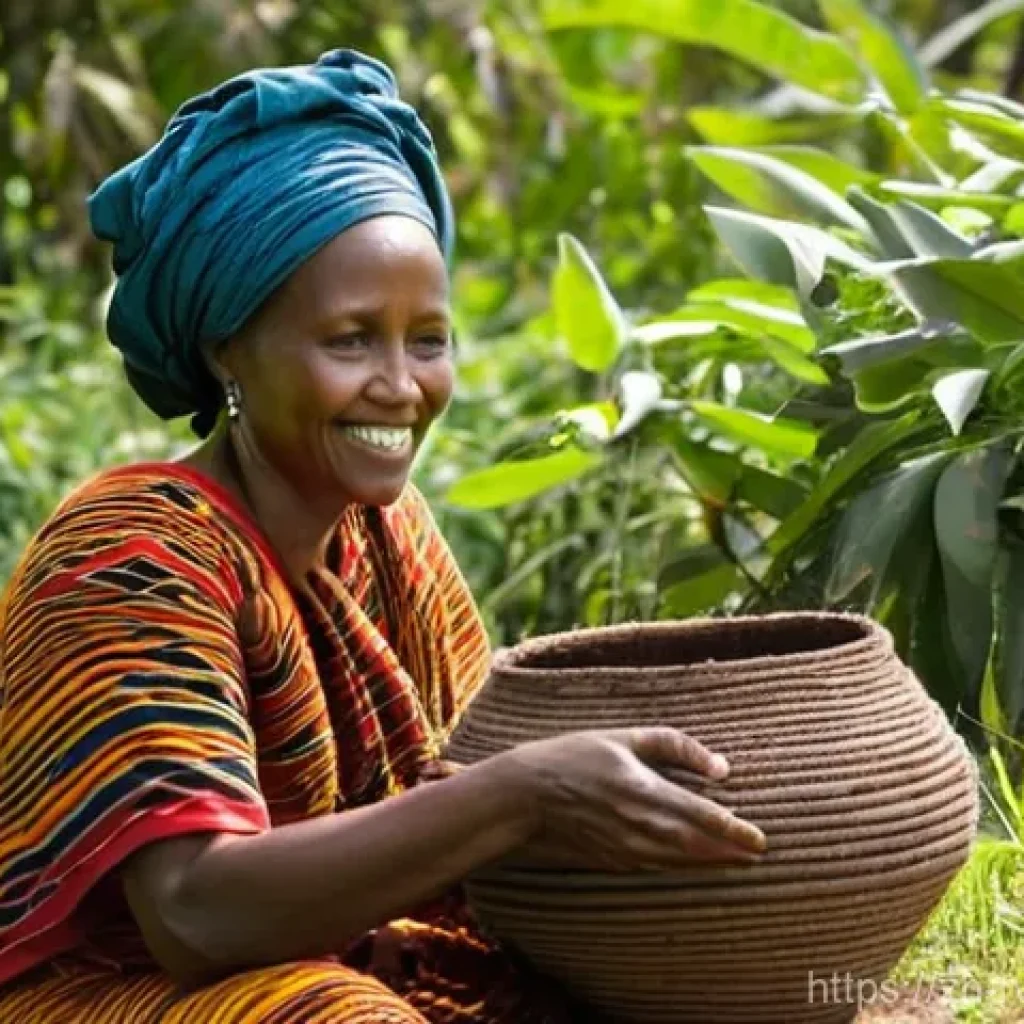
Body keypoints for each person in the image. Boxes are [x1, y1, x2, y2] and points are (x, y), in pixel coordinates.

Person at [0, 49, 766, 1023]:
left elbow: (463, 782)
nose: (402, 387)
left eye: (428, 339)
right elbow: (193, 914)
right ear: (224, 346)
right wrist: (517, 798)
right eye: (350, 338)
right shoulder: (129, 554)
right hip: (118, 996)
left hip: (349, 962)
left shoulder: (389, 536)